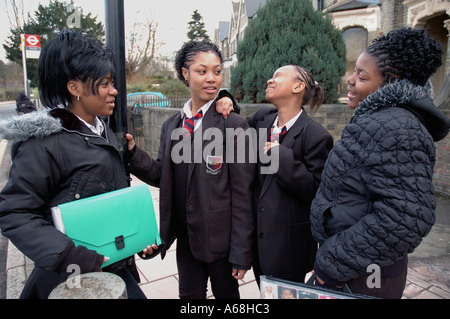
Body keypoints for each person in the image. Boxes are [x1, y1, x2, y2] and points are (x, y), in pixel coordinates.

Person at [0, 31, 157, 299]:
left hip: (114, 270)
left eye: (113, 82)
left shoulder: (103, 130)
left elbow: (110, 202)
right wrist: (69, 255)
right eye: (105, 83)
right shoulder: (44, 144)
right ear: (75, 89)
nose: (114, 91)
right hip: (70, 281)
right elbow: (15, 213)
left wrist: (133, 241)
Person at [310, 27, 450, 299]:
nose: (350, 80)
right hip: (356, 267)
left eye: (362, 76)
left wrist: (332, 264)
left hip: (362, 274)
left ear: (389, 84)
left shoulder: (397, 127)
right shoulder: (381, 120)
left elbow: (406, 218)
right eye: (354, 72)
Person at [126, 40, 255, 299]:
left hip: (222, 244)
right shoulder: (172, 125)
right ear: (185, 74)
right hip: (186, 240)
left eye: (217, 72)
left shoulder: (234, 126)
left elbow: (244, 195)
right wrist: (132, 154)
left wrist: (241, 253)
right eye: (202, 71)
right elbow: (161, 174)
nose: (212, 79)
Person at [218, 65, 333, 284]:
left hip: (289, 249)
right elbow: (238, 126)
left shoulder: (316, 135)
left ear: (298, 86)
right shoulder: (263, 119)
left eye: (278, 76)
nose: (270, 80)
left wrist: (280, 156)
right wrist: (226, 100)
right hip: (259, 244)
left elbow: (315, 190)